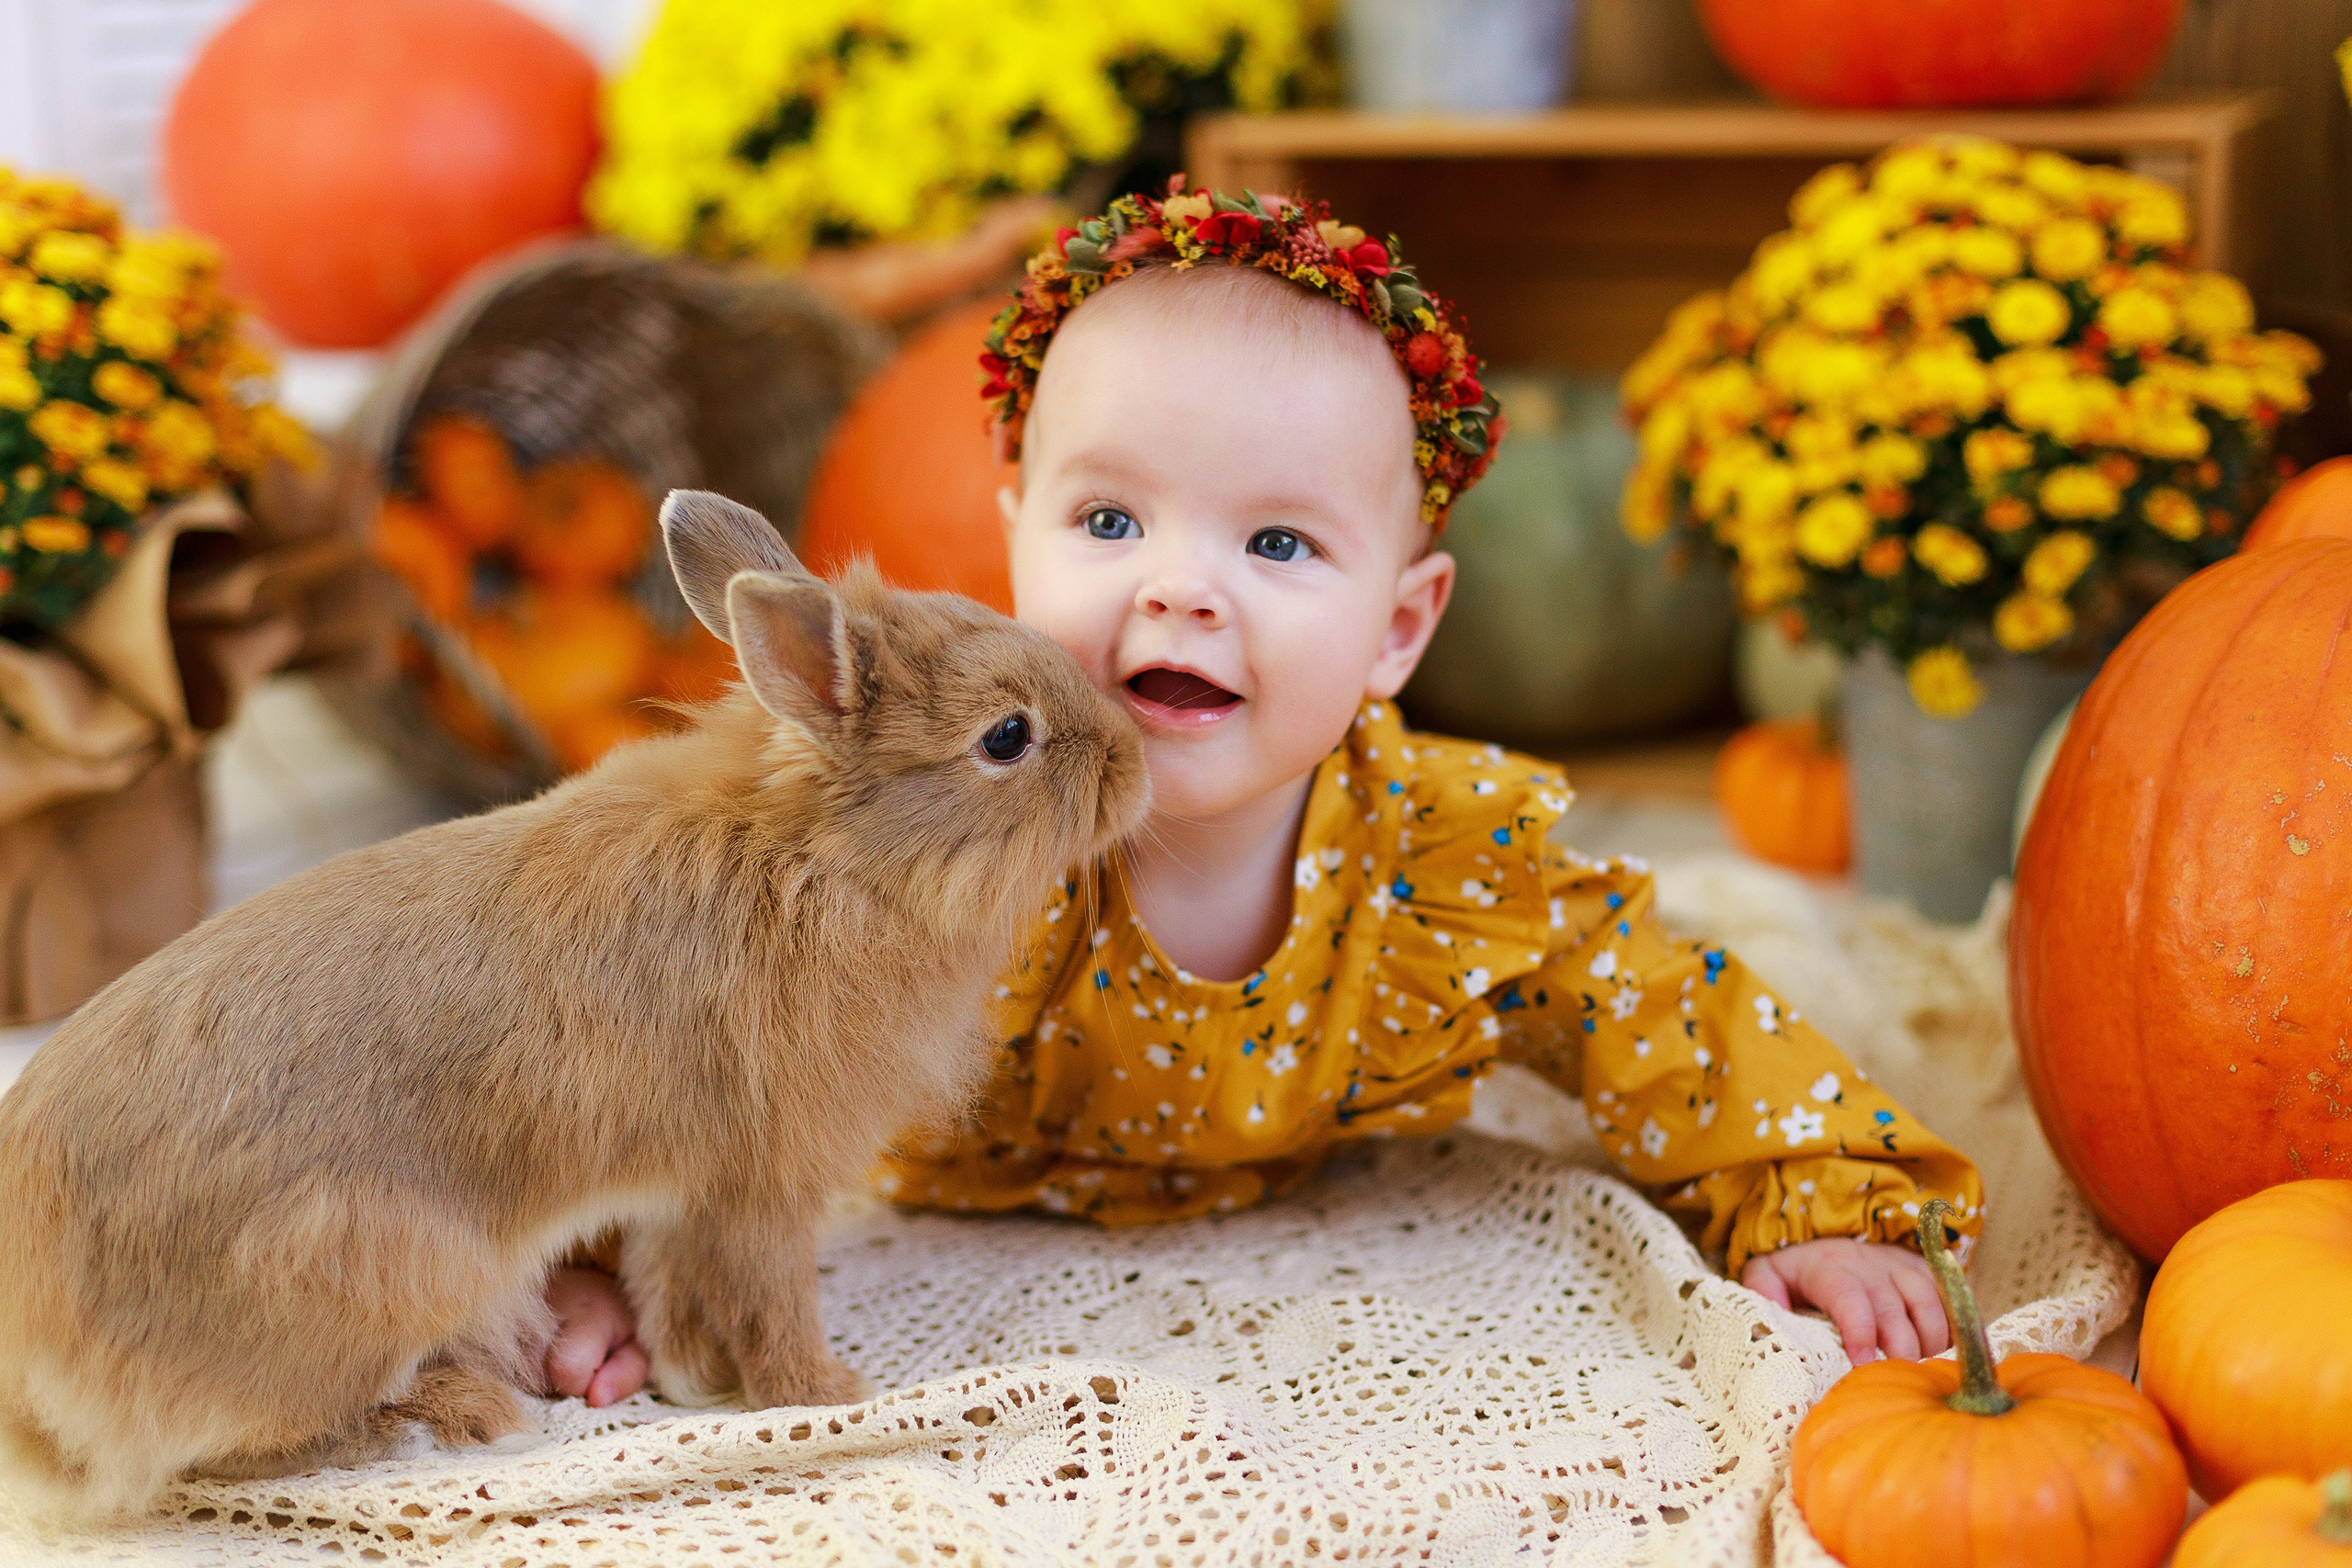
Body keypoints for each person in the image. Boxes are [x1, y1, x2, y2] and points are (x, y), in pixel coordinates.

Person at [542, 181, 1983, 1408]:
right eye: (1110, 521)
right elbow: (674, 1017)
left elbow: (1661, 1007)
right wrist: (617, 1258)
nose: (1182, 585)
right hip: (934, 1180)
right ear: (1016, 546)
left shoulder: (1445, 866)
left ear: (1399, 631)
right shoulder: (929, 832)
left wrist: (1819, 1203)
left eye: (1281, 543)